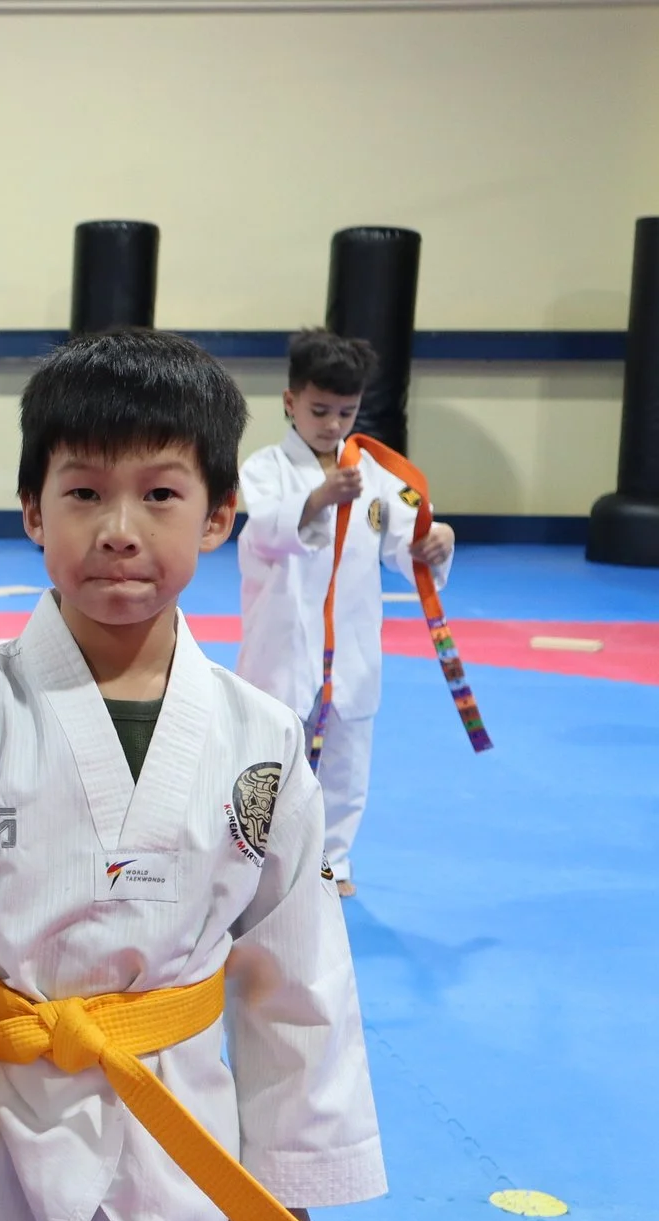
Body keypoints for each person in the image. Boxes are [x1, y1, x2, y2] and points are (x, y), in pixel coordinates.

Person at [0, 330, 386, 1221]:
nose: (117, 531)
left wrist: (280, 1187)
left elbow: (298, 978)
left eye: (157, 494)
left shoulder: (257, 735)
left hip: (179, 1131)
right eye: (83, 491)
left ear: (220, 513)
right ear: (29, 508)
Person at [233, 328, 456, 896]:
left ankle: (332, 861)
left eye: (346, 412)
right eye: (319, 410)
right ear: (290, 403)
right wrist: (317, 499)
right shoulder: (265, 468)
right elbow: (264, 529)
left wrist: (432, 544)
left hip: (351, 641)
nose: (332, 424)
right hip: (282, 637)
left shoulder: (376, 475)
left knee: (346, 758)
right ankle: (254, 860)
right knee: (271, 750)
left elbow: (403, 532)